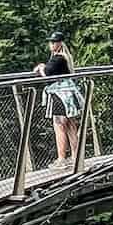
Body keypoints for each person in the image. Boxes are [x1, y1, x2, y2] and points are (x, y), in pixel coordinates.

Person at [34, 31, 84, 169]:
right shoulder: (65, 58)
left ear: (59, 43)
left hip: (60, 96)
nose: (51, 44)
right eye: (50, 42)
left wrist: (41, 67)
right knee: (71, 126)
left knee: (59, 126)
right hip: (69, 95)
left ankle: (61, 159)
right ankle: (76, 157)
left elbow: (47, 75)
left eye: (53, 42)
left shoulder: (58, 58)